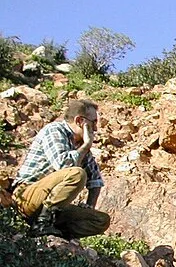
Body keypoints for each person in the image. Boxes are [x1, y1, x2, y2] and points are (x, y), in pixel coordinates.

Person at [11, 99, 110, 238]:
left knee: (101, 220)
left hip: (50, 206)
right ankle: (42, 225)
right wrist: (87, 145)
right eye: (93, 122)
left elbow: (95, 180)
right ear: (80, 121)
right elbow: (64, 166)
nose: (95, 128)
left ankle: (56, 235)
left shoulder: (79, 145)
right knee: (77, 173)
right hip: (27, 196)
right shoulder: (54, 130)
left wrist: (89, 206)